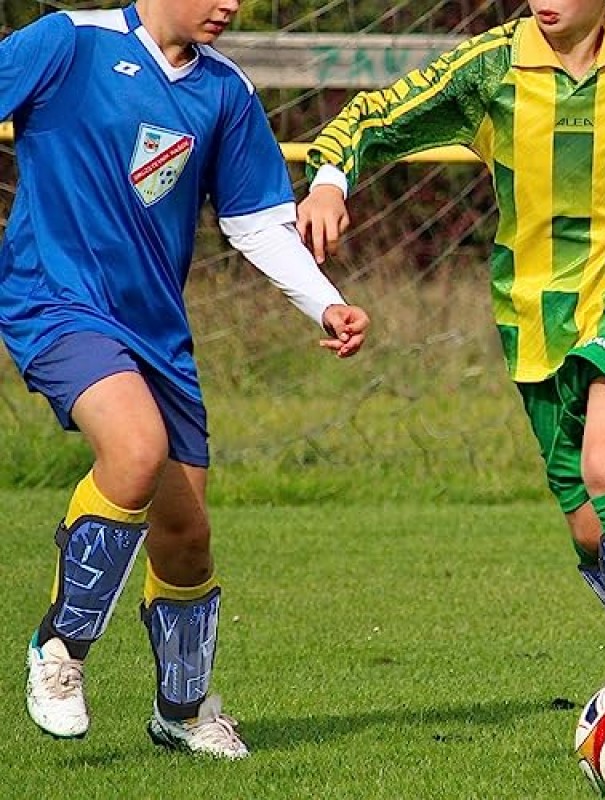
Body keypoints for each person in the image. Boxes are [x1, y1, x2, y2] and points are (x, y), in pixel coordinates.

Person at [299, 0, 605, 781]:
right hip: (532, 321)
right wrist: (331, 182)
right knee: (595, 527)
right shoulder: (489, 68)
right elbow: (374, 114)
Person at [0, 0, 369, 759]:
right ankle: (59, 650)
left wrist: (325, 303)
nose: (231, 4)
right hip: (55, 299)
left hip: (157, 333)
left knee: (186, 539)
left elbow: (258, 221)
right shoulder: (68, 42)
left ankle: (184, 709)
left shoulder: (225, 90)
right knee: (134, 450)